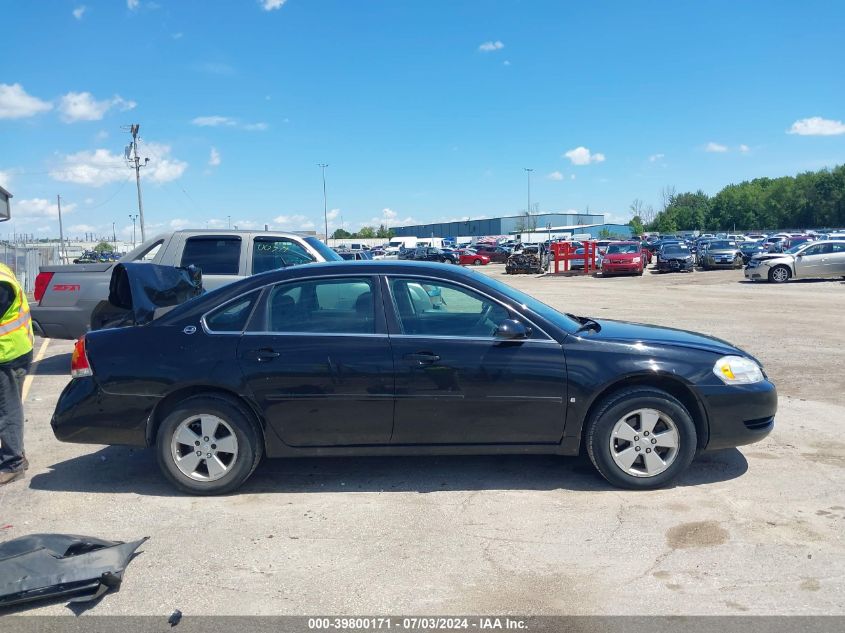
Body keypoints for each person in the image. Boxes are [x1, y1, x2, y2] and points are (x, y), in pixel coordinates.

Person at [0, 262, 34, 485]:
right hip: (15, 348)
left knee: (7, 409)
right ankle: (17, 455)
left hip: (8, 353)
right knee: (9, 407)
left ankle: (13, 463)